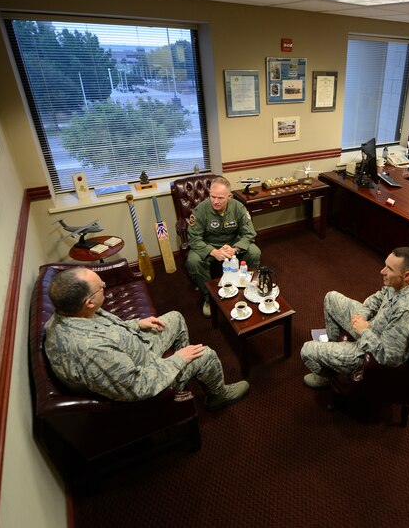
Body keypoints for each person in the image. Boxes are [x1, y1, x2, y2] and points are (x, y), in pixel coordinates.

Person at [44, 266, 249, 411]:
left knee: (175, 318)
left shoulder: (69, 312)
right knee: (206, 354)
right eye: (101, 287)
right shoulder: (92, 351)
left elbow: (108, 329)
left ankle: (186, 377)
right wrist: (178, 359)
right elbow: (137, 386)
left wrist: (136, 324)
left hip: (134, 348)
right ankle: (217, 397)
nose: (104, 286)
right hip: (145, 374)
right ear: (88, 302)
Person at [300, 247, 409, 389]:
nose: (382, 271)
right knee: (331, 298)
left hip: (368, 353)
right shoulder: (406, 282)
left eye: (389, 269)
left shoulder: (406, 312)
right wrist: (363, 314)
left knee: (307, 350)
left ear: (407, 275)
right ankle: (331, 355)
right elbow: (381, 295)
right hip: (371, 326)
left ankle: (326, 376)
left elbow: (389, 358)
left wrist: (364, 331)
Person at [187, 176, 261, 317]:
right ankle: (208, 299)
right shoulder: (201, 209)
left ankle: (249, 289)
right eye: (212, 196)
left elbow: (249, 233)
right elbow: (194, 238)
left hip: (233, 244)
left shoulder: (238, 207)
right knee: (193, 260)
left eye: (220, 198)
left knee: (254, 252)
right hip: (209, 245)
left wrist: (236, 249)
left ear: (229, 196)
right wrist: (212, 251)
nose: (215, 201)